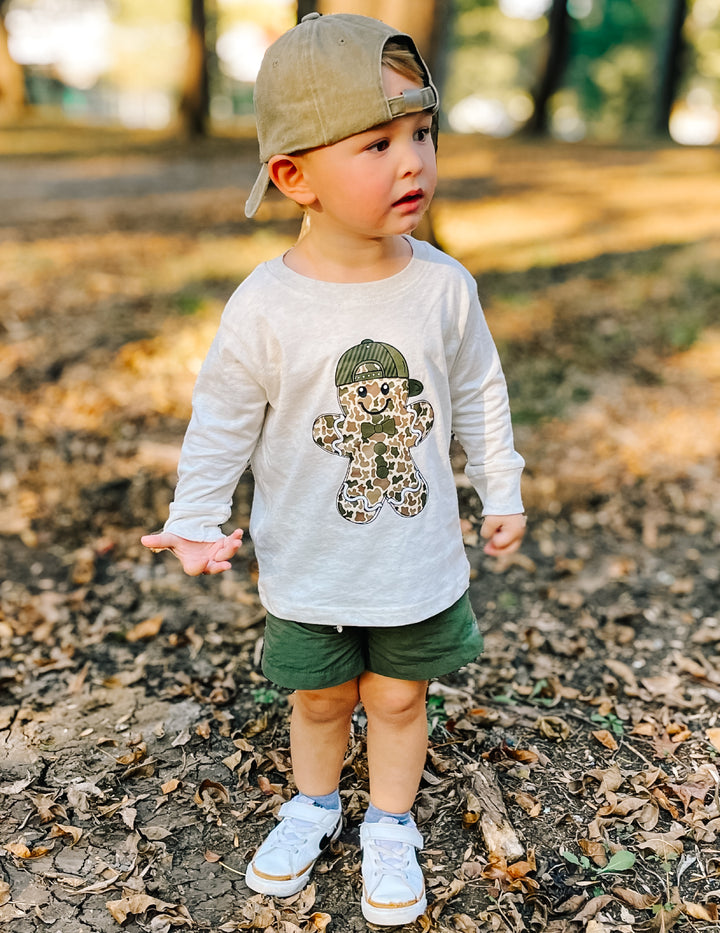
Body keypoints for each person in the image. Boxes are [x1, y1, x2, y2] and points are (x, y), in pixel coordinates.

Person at [141, 12, 525, 927]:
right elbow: (223, 419)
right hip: (309, 560)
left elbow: (480, 391)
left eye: (422, 133)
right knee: (318, 698)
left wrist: (499, 486)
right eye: (377, 142)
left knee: (397, 697)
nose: (413, 162)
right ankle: (310, 805)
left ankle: (390, 824)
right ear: (293, 175)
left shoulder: (442, 286)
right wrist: (196, 516)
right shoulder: (268, 305)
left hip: (414, 557)